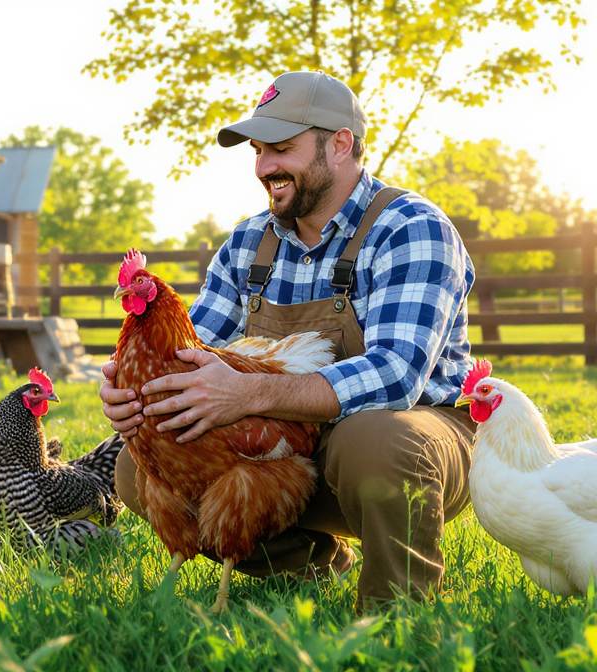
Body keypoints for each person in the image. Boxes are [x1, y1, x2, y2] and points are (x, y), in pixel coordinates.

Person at [100, 71, 476, 611]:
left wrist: (252, 395)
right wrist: (136, 391)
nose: (264, 167)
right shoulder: (247, 243)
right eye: (258, 151)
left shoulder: (411, 227)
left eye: (281, 148)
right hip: (286, 455)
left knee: (373, 439)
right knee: (139, 467)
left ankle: (396, 612)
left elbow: (397, 374)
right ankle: (308, 568)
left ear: (340, 144)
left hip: (409, 442)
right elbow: (190, 352)